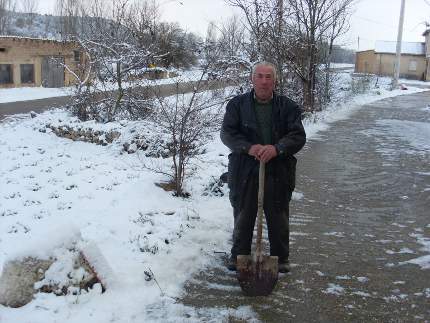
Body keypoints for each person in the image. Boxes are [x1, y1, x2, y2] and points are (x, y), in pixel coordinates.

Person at [220, 61, 306, 273]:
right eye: (259, 76)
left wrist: (277, 148)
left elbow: (298, 136)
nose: (264, 81)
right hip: (244, 168)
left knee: (278, 215)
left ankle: (280, 257)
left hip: (278, 169)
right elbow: (227, 134)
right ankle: (239, 255)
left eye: (268, 77)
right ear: (252, 79)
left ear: (275, 81)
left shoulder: (288, 107)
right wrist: (248, 148)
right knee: (243, 213)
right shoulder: (237, 105)